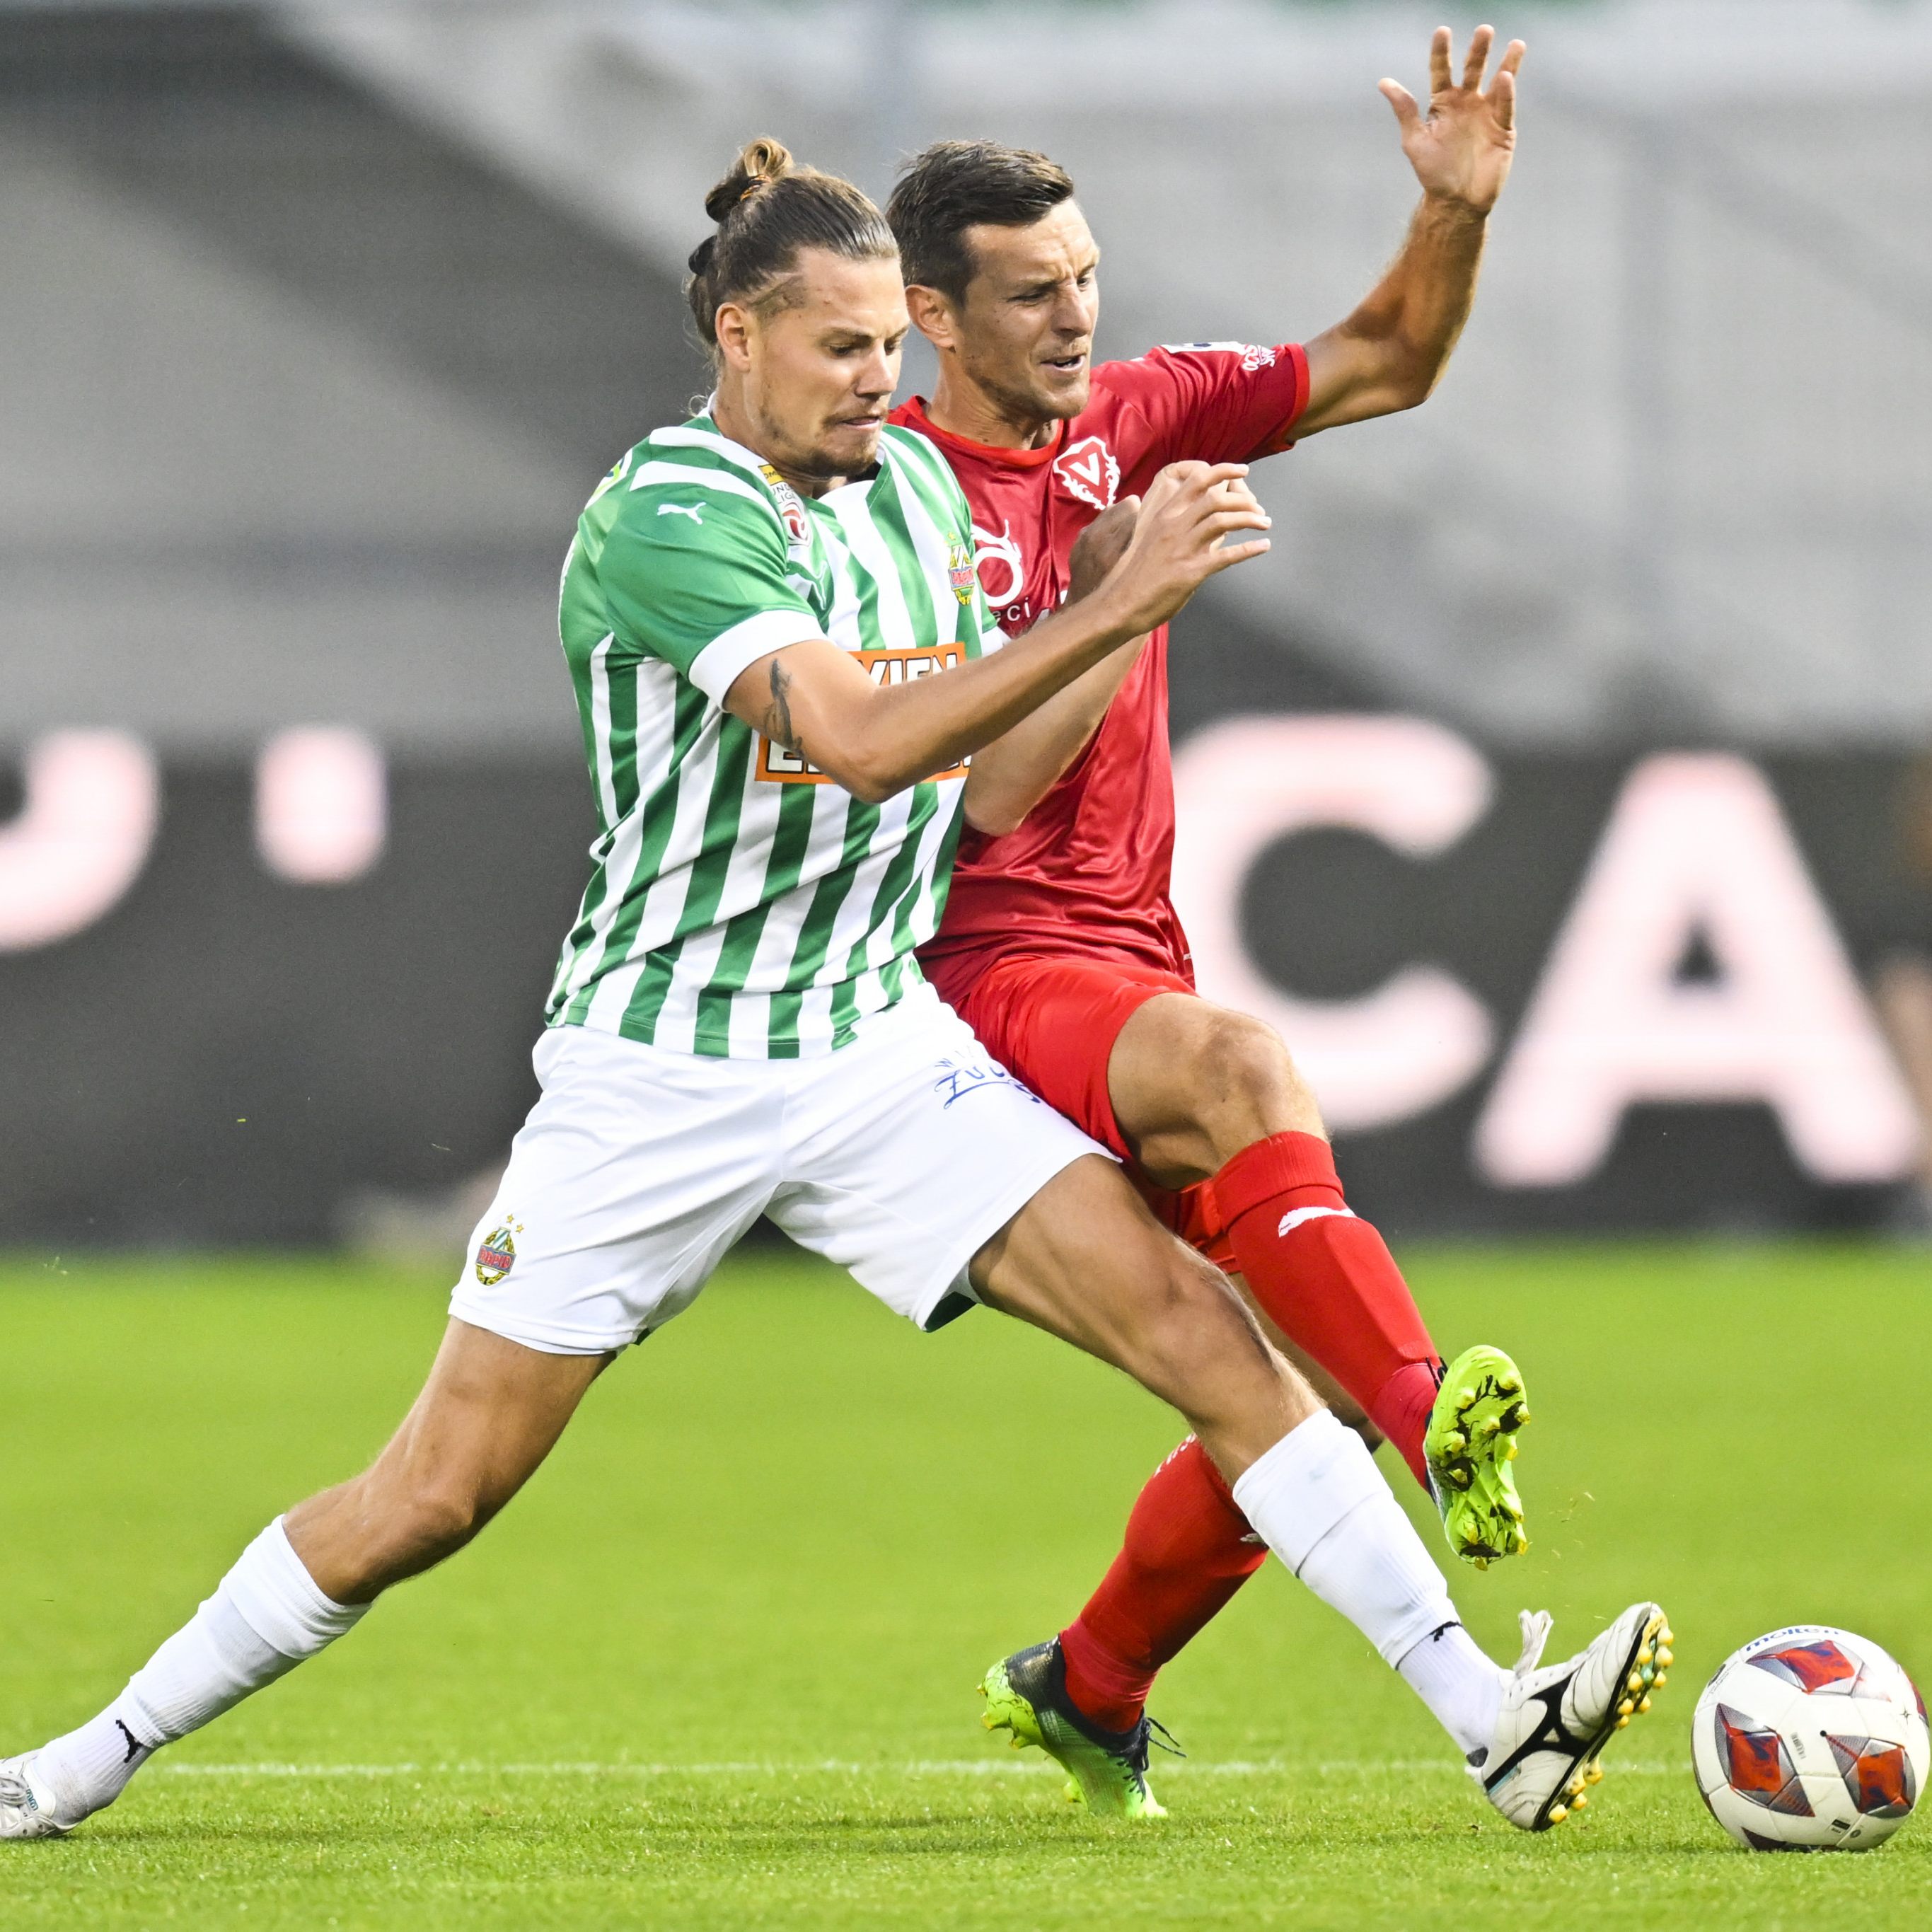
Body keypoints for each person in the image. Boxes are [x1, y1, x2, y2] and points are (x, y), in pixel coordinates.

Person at [2, 140, 1663, 1848]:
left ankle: (1490, 1719)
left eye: (890, 346)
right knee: (435, 1493)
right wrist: (1119, 595)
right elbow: (860, 742)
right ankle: (90, 1754)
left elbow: (996, 780)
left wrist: (1098, 625)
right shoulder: (667, 515)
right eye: (844, 349)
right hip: (662, 1066)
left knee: (1204, 1342)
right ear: (737, 339)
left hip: (872, 1042)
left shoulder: (919, 497)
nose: (883, 381)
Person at [886, 28, 1544, 1813]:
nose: (1077, 320)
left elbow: (1392, 355)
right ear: (933, 320)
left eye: (1088, 278)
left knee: (1279, 1398)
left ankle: (1090, 1686)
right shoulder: (885, 508)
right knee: (1246, 1067)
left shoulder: (1136, 415)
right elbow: (977, 807)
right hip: (973, 971)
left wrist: (1447, 214)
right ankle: (1432, 1421)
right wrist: (1108, 601)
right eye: (1032, 294)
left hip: (1127, 958)